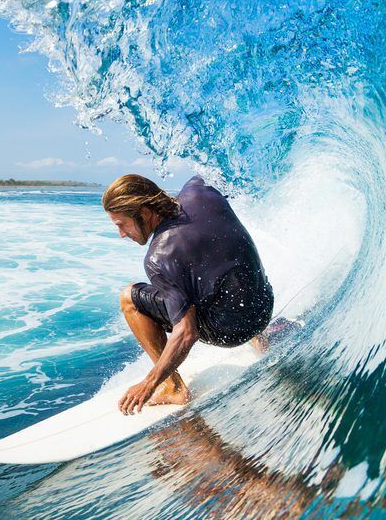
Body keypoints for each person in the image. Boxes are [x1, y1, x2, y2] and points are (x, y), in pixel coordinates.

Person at [104, 174, 274, 415]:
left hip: (231, 332)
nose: (121, 233)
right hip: (263, 306)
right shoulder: (200, 190)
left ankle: (172, 387)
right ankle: (261, 338)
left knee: (128, 297)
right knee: (215, 263)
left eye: (121, 224)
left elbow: (186, 332)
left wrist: (148, 383)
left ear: (143, 213)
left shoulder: (158, 257)